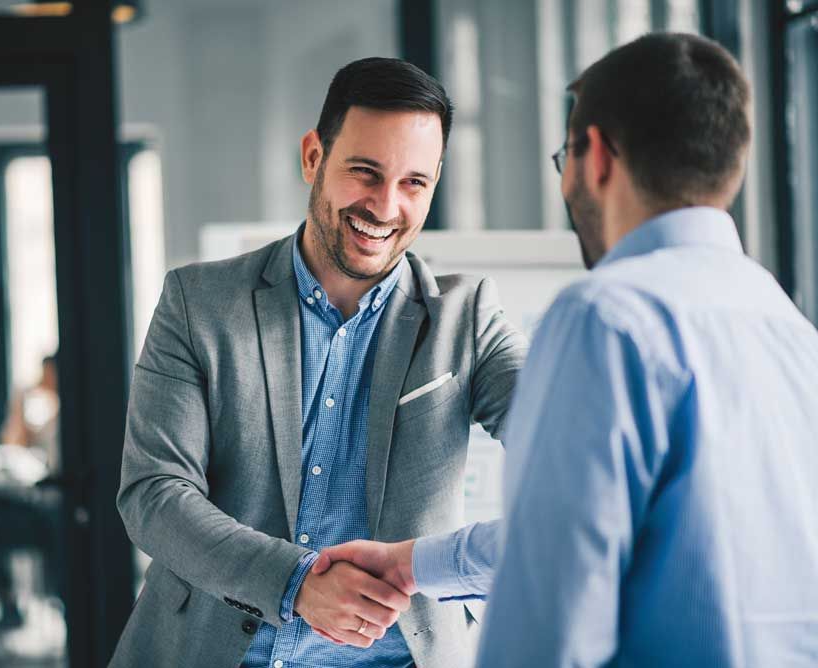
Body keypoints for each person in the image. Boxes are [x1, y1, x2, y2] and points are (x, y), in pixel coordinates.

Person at [313, 32, 818, 666]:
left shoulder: (607, 319)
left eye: (565, 157)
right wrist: (413, 564)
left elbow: (550, 603)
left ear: (597, 157)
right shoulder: (792, 332)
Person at [110, 57, 528, 668]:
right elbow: (154, 495)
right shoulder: (198, 303)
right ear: (314, 157)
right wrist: (296, 582)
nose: (386, 206)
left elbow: (573, 457)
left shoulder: (468, 319)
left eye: (415, 183)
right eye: (365, 172)